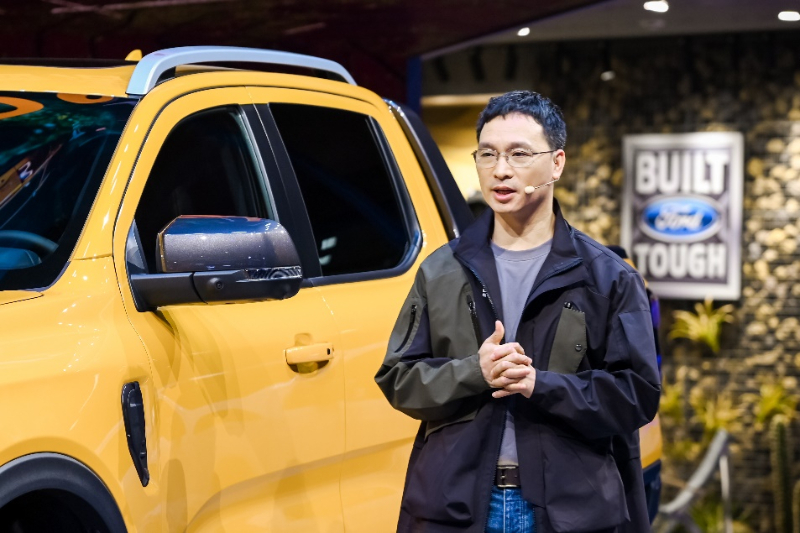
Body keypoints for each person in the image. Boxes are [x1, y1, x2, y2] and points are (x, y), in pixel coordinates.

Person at [375, 90, 661, 533]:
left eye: (519, 154)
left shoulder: (607, 277)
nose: (501, 169)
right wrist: (474, 372)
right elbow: (399, 379)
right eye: (488, 154)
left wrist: (540, 384)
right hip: (456, 508)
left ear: (557, 163)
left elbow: (636, 394)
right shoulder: (442, 270)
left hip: (568, 512)